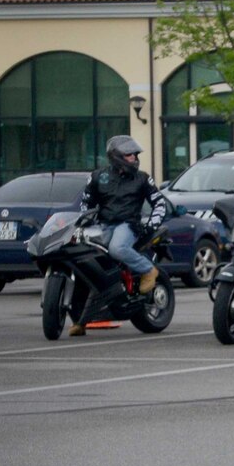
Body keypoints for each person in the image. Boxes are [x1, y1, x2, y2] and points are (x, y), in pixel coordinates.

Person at [71, 135, 163, 337]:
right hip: (102, 225)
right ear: (116, 156)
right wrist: (84, 218)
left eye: (136, 154)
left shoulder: (142, 178)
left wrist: (152, 224)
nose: (135, 158)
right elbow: (86, 203)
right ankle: (80, 321)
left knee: (117, 248)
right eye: (129, 154)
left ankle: (148, 270)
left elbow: (160, 204)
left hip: (127, 225)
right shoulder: (98, 176)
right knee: (87, 261)